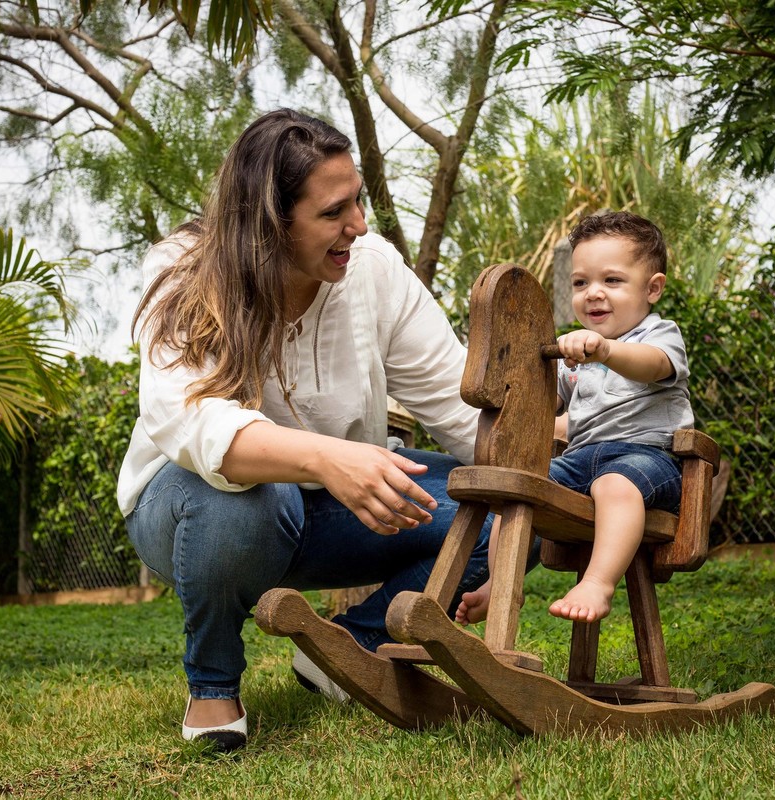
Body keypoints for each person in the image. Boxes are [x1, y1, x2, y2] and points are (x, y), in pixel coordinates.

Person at [117, 109, 490, 752]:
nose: (359, 225)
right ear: (271, 224)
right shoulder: (185, 270)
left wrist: (574, 461)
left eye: (359, 202)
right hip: (194, 510)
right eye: (333, 213)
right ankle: (213, 685)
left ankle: (347, 651)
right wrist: (325, 459)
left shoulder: (373, 269)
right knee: (250, 500)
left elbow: (459, 405)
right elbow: (189, 422)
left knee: (501, 509)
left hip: (338, 510)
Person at [455, 211, 694, 626]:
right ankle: (500, 585)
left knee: (615, 485)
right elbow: (556, 413)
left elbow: (652, 366)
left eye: (612, 281)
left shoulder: (658, 335)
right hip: (580, 460)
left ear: (653, 288)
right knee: (519, 489)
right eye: (581, 282)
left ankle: (599, 584)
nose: (593, 294)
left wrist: (604, 350)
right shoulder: (574, 352)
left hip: (648, 462)